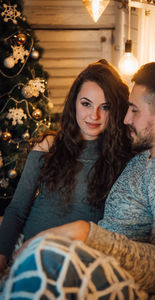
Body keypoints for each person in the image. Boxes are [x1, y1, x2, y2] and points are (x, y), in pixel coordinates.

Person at [1, 61, 155, 300]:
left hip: (81, 265)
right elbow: (18, 210)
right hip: (68, 258)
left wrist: (84, 232)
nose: (125, 119)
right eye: (127, 108)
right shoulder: (145, 158)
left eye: (133, 110)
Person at [0, 59, 133, 276]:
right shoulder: (48, 146)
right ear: (74, 103)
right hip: (27, 254)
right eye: (86, 103)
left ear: (115, 109)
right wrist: (2, 257)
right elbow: (16, 210)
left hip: (77, 264)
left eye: (105, 107)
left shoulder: (122, 158)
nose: (94, 116)